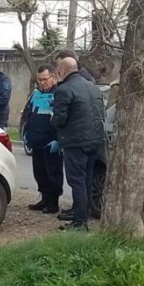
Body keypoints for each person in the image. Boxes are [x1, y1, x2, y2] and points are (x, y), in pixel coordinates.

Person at [51, 56, 106, 230]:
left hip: (75, 142)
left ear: (61, 71)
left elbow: (60, 119)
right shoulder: (93, 87)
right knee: (87, 179)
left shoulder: (64, 89)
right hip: (95, 140)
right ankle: (82, 214)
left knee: (77, 181)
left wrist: (52, 120)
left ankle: (80, 222)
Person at [21, 65, 64, 214]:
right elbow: (28, 114)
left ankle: (53, 202)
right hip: (36, 140)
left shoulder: (59, 93)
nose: (42, 82)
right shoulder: (36, 94)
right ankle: (44, 198)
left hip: (51, 141)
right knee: (39, 172)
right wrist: (26, 133)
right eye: (40, 80)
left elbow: (63, 118)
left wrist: (59, 140)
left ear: (53, 77)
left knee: (53, 173)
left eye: (45, 79)